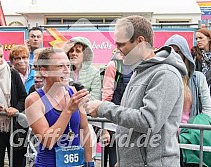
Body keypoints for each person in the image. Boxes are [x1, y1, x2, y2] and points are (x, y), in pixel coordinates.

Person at [84, 15, 187, 167]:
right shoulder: (139, 72)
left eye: (121, 45)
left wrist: (102, 108)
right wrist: (125, 159)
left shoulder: (165, 74)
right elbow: (130, 118)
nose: (117, 50)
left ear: (140, 41)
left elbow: (147, 121)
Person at [25, 47, 93, 167]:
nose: (67, 70)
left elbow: (84, 129)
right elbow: (48, 141)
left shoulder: (73, 92)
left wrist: (89, 164)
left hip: (76, 164)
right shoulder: (34, 100)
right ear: (44, 71)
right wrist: (68, 110)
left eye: (68, 65)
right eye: (60, 66)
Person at [165, 34, 211, 167]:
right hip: (167, 141)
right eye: (171, 51)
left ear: (185, 54)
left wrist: (191, 134)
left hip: (191, 142)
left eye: (178, 51)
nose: (175, 55)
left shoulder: (198, 78)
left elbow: (207, 111)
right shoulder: (161, 78)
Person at [100, 53, 132, 167]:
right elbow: (106, 97)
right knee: (115, 161)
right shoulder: (114, 65)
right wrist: (105, 129)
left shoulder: (141, 65)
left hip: (134, 125)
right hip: (115, 126)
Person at [66, 37, 101, 101]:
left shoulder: (94, 73)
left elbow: (95, 98)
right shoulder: (64, 71)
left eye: (78, 51)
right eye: (71, 50)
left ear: (85, 54)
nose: (73, 53)